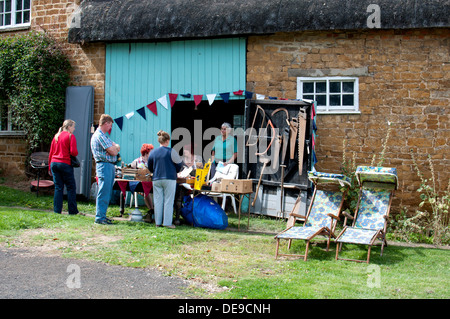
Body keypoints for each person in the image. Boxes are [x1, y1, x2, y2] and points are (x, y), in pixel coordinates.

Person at [147, 130, 184, 228]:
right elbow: (179, 165)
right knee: (168, 200)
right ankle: (167, 223)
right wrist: (175, 170)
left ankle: (158, 222)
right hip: (169, 178)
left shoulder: (153, 152)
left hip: (157, 178)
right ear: (167, 140)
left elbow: (150, 167)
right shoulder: (172, 151)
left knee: (158, 200)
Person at [90, 114, 121, 225]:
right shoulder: (100, 136)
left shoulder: (103, 135)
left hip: (107, 165)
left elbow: (115, 148)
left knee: (106, 191)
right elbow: (113, 151)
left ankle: (102, 215)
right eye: (110, 125)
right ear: (106, 123)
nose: (110, 127)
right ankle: (100, 217)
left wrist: (115, 147)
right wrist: (114, 148)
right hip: (105, 165)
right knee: (104, 191)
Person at [48, 119, 79, 215]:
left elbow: (51, 152)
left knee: (58, 187)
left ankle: (57, 210)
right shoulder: (70, 136)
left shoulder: (56, 136)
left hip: (54, 163)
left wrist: (49, 167)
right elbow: (73, 152)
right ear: (69, 127)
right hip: (65, 163)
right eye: (73, 127)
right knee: (70, 187)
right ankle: (72, 211)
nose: (74, 129)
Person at [130, 143, 154, 216]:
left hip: (151, 183)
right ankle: (151, 209)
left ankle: (155, 210)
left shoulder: (152, 162)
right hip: (141, 184)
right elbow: (133, 173)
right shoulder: (137, 161)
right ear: (146, 152)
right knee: (146, 191)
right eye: (151, 152)